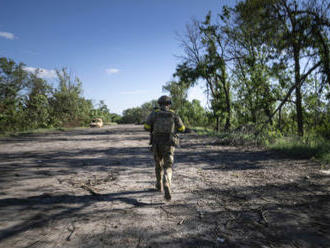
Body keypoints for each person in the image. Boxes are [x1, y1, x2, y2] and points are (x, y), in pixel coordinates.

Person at [144, 95, 185, 200]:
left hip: (156, 143)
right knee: (168, 166)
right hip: (169, 143)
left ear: (159, 104)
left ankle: (159, 184)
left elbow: (146, 127)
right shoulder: (174, 114)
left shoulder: (154, 114)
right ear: (169, 104)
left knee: (158, 164)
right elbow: (182, 128)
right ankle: (166, 181)